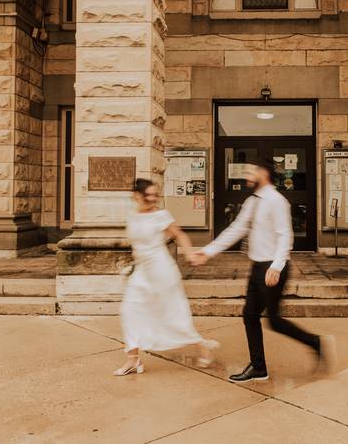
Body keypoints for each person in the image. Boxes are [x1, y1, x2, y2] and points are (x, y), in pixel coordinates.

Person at [192, 159, 336, 383]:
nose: (247, 175)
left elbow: (285, 235)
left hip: (272, 268)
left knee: (274, 320)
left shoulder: (277, 201)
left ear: (264, 174)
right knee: (250, 315)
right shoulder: (252, 201)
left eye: (252, 171)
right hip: (257, 266)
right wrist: (208, 251)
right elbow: (236, 229)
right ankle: (258, 368)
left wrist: (276, 266)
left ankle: (315, 342)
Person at [114, 179, 218, 377]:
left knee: (171, 314)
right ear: (136, 195)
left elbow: (179, 235)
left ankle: (202, 346)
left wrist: (189, 253)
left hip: (162, 270)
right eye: (148, 194)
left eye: (155, 194)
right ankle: (133, 359)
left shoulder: (161, 215)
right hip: (142, 272)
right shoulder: (132, 216)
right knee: (129, 310)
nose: (153, 198)